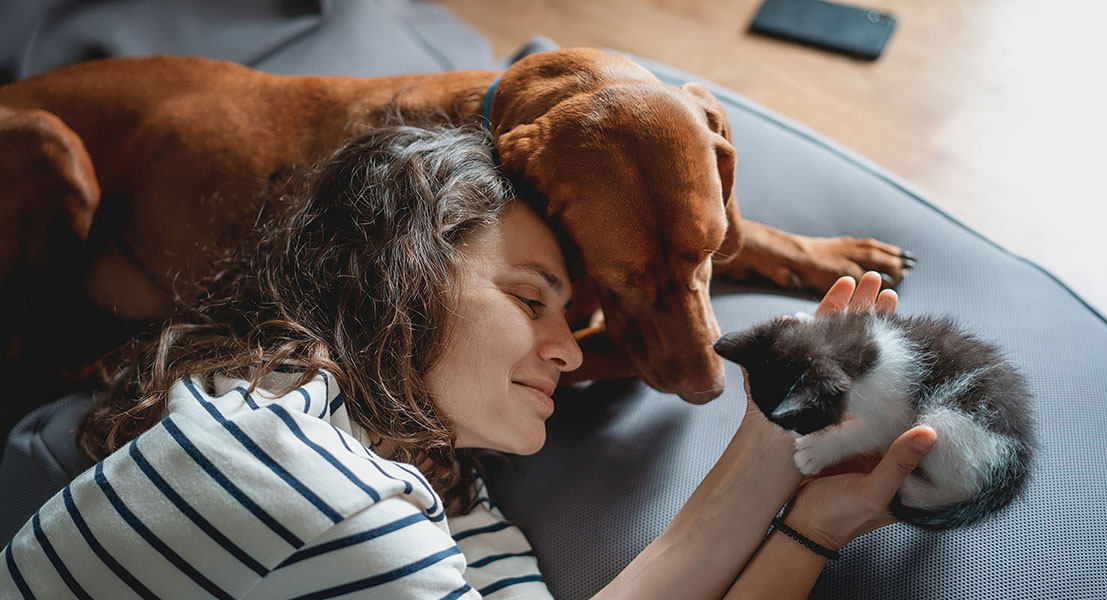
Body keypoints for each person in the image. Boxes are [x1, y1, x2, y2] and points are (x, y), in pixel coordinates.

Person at [0, 120, 935, 599]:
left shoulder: (442, 489)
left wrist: (795, 494)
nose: (570, 353)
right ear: (396, 272)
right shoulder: (292, 466)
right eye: (530, 298)